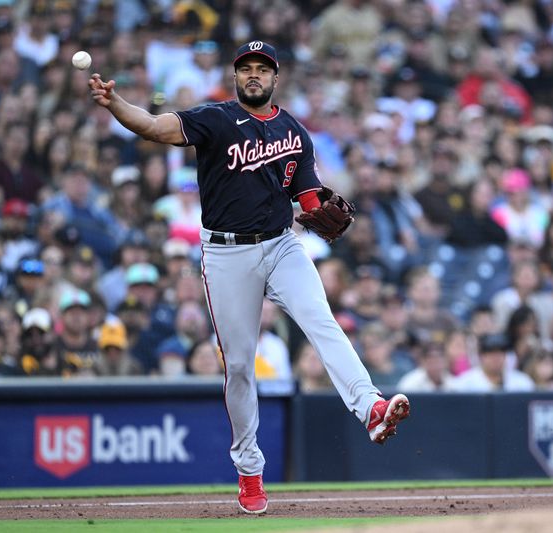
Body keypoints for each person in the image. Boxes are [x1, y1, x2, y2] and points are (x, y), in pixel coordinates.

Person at [88, 40, 410, 514]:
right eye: (246, 69)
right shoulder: (215, 120)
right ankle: (249, 469)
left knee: (322, 321)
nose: (254, 75)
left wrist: (321, 208)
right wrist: (116, 103)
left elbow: (308, 200)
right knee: (239, 365)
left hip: (282, 244)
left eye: (262, 68)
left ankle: (371, 408)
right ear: (237, 76)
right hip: (226, 254)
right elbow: (155, 127)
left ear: (275, 78)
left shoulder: (294, 132)